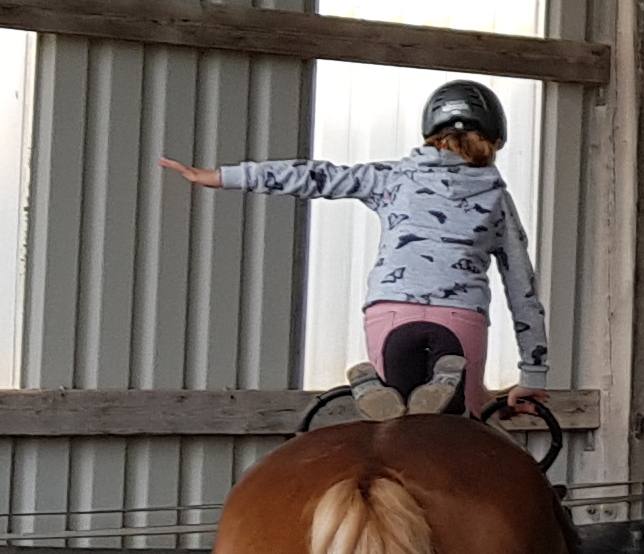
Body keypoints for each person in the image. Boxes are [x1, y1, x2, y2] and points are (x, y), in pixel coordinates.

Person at [164, 80, 552, 420]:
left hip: (390, 312)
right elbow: (522, 290)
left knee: (395, 423)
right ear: (494, 139)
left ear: (432, 134)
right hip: (460, 316)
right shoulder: (497, 199)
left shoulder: (392, 177)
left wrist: (224, 176)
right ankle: (446, 394)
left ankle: (376, 392)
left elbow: (317, 176)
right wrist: (532, 375)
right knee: (466, 424)